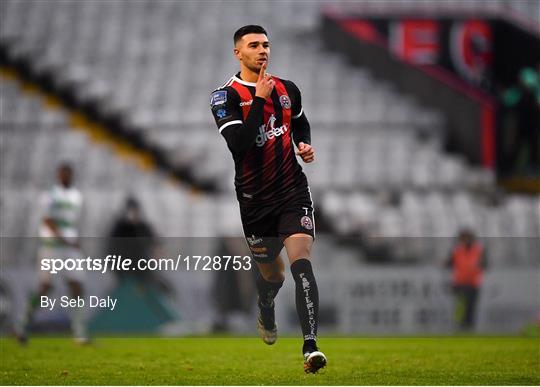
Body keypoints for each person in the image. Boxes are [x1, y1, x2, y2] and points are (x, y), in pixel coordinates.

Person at [209, 25, 326, 373]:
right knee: (272, 276)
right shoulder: (225, 97)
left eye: (266, 44)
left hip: (292, 190)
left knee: (300, 260)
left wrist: (303, 144)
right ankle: (265, 303)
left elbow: (300, 123)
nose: (262, 50)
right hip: (255, 202)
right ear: (238, 53)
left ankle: (310, 347)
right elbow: (239, 145)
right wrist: (258, 99)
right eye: (254, 45)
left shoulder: (288, 89)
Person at [15, 162, 88, 344]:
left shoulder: (76, 196)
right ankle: (21, 325)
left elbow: (71, 223)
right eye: (62, 173)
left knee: (77, 285)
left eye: (67, 173)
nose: (65, 176)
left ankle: (79, 333)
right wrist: (64, 238)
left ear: (71, 175)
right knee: (45, 287)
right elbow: (48, 221)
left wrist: (74, 240)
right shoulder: (49, 195)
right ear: (58, 175)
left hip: (69, 247)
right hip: (52, 246)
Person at [445, 229, 488, 331]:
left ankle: (469, 326)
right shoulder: (457, 250)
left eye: (468, 238)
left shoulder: (479, 250)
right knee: (461, 305)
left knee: (471, 306)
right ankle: (459, 325)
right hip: (460, 283)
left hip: (473, 283)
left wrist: (480, 265)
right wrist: (446, 263)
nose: (466, 240)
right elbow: (449, 263)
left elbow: (485, 264)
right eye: (464, 238)